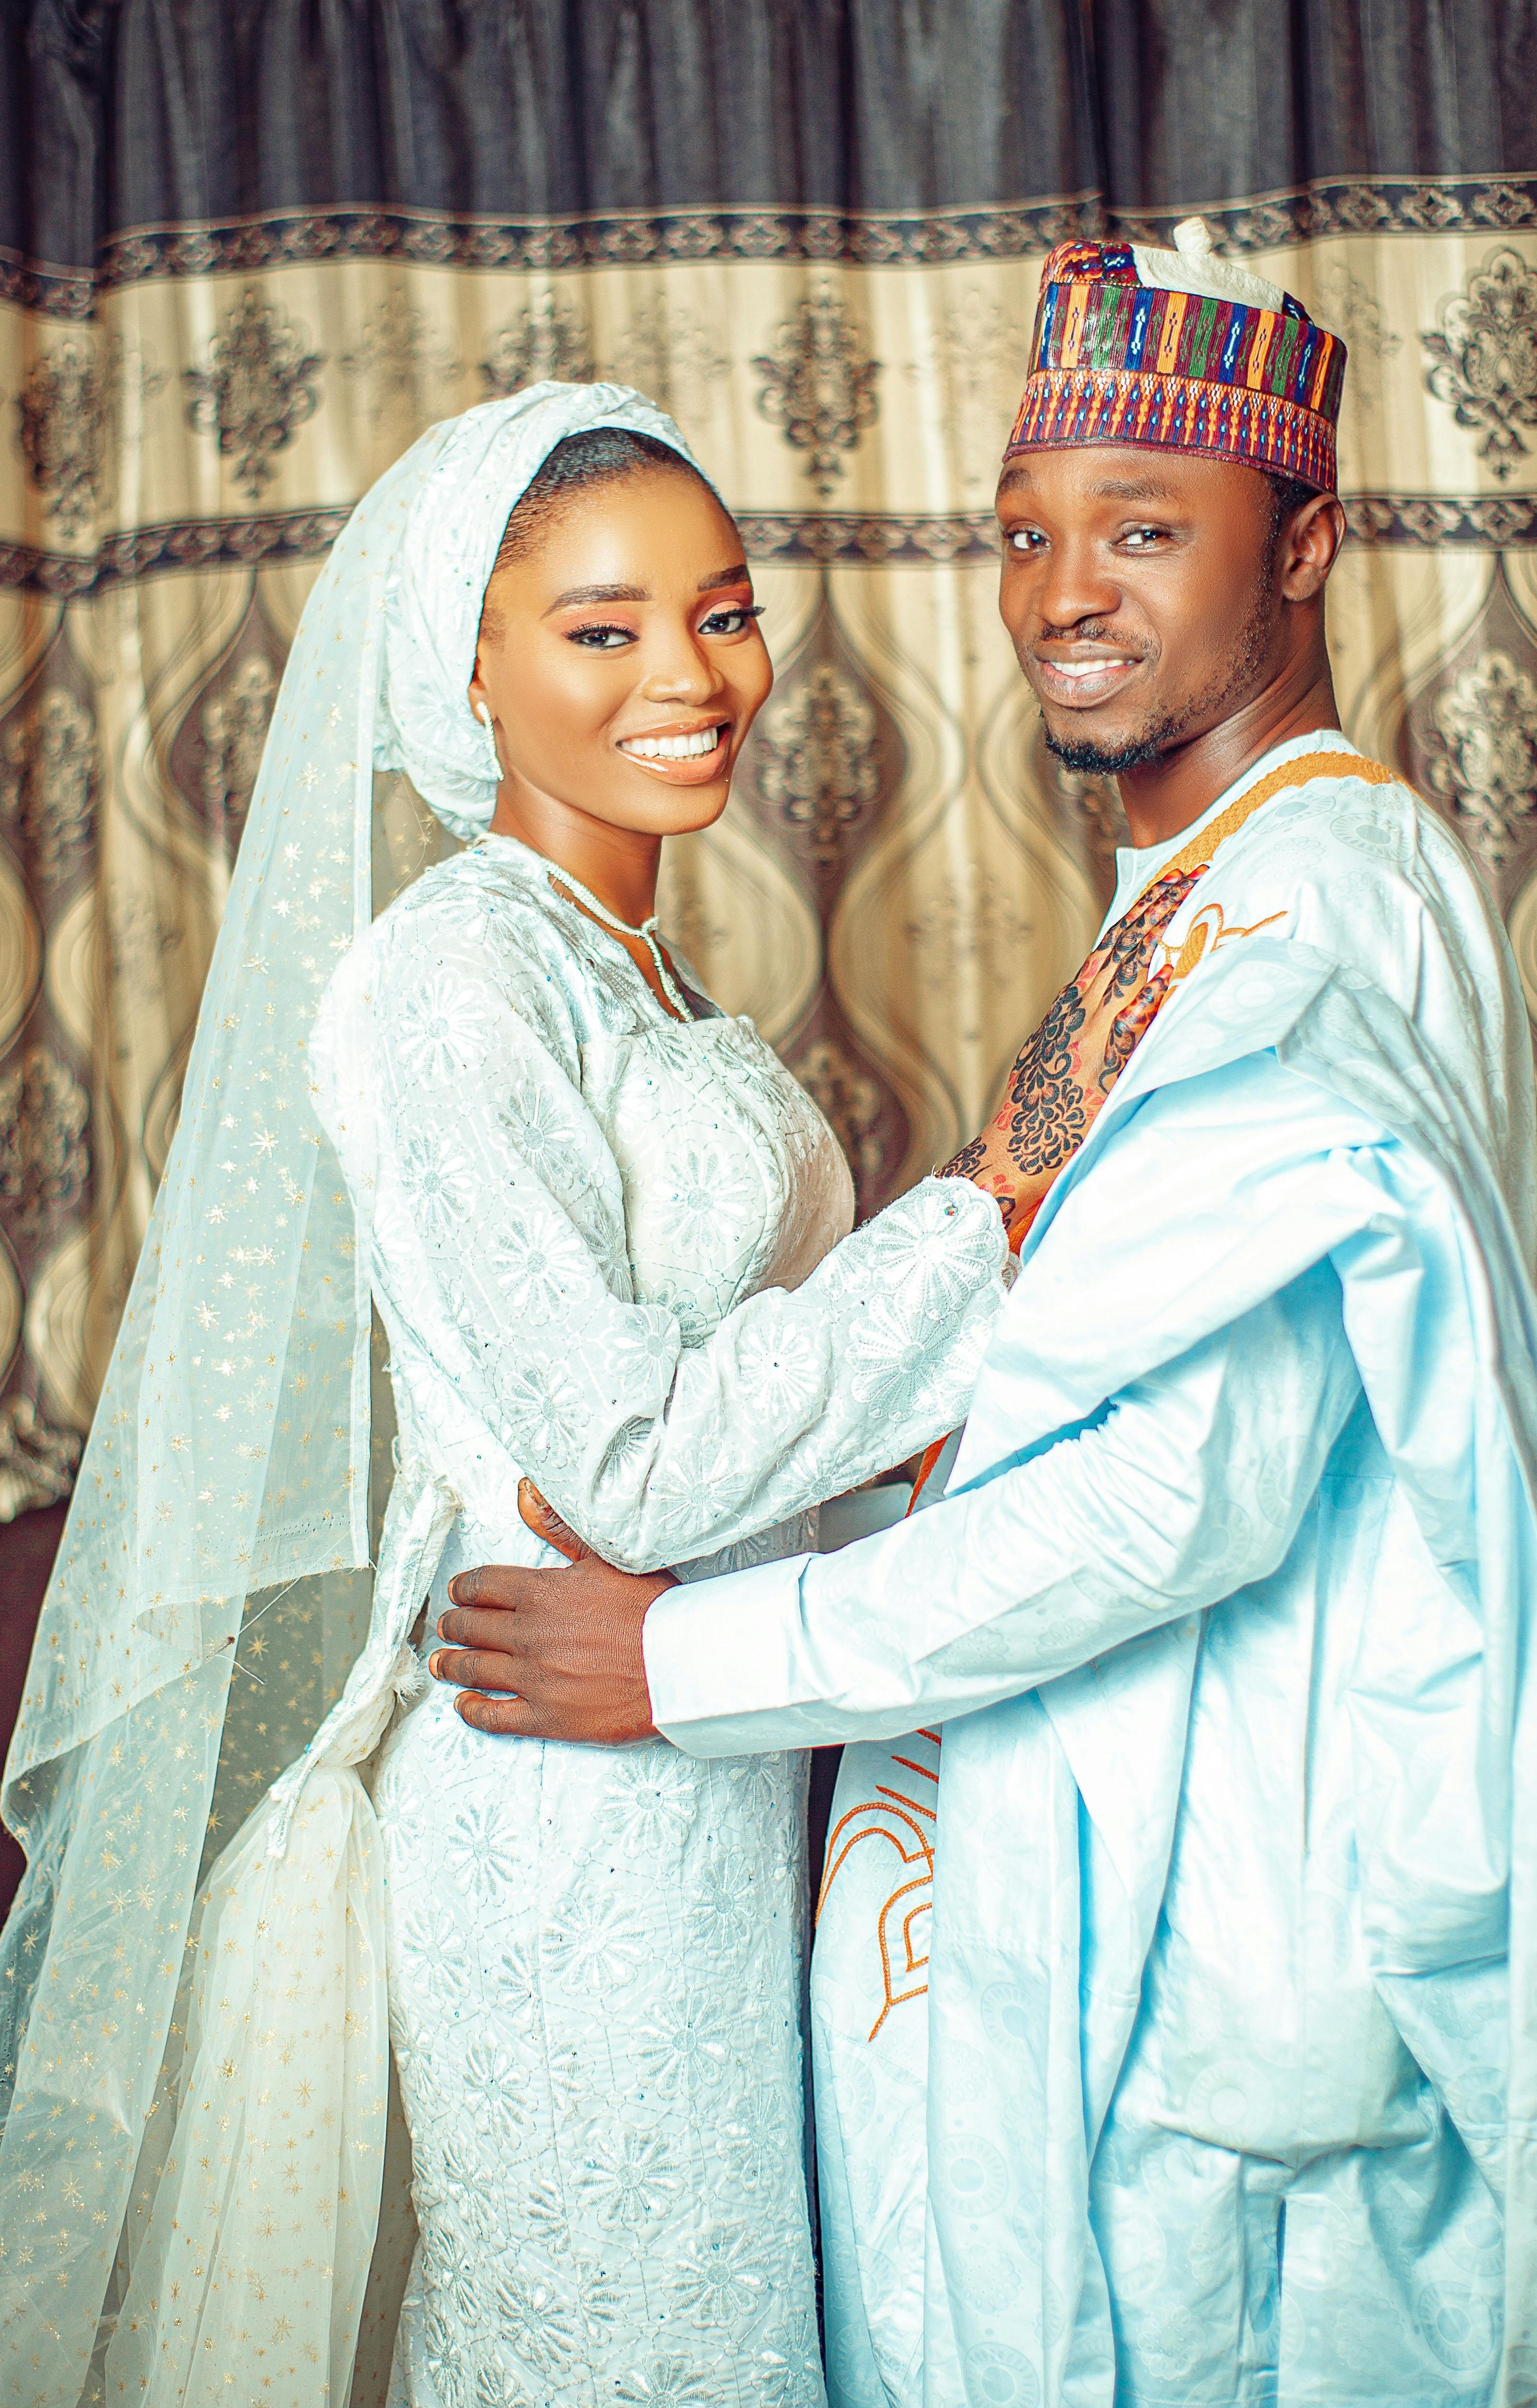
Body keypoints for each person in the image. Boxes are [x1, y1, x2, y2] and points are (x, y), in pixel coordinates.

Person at [431, 231, 1537, 2406]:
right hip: (1101, 1924)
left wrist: (688, 1656)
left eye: (1140, 530)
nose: (1060, 592)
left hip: (1227, 1990)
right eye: (1026, 533)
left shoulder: (1305, 913)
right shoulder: (1204, 886)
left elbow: (1177, 1497)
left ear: (1305, 548)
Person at [0, 383, 1010, 2408]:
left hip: (713, 1747)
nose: (692, 677)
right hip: (561, 1797)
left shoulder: (640, 975)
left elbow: (726, 1447)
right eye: (603, 628)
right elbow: (628, 1464)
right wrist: (987, 1216)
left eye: (723, 613)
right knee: (624, 2345)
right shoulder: (446, 978)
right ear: (469, 659)